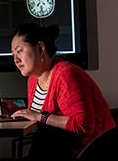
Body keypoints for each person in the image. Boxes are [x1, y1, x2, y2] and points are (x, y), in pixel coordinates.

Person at [9, 23, 115, 160]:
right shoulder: (33, 79)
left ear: (40, 48)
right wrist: (16, 111)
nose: (15, 60)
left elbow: (83, 126)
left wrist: (40, 117)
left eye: (19, 51)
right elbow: (40, 116)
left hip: (90, 150)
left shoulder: (66, 74)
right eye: (13, 54)